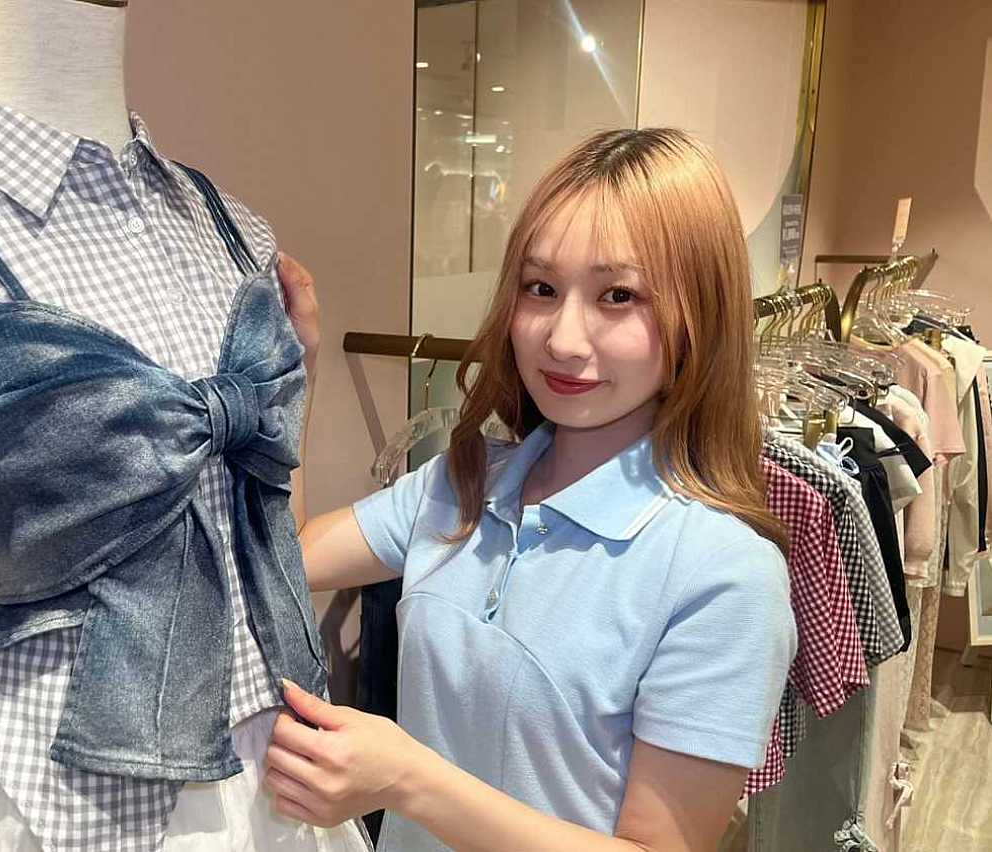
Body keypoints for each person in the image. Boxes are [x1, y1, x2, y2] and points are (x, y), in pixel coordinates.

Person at [267, 128, 799, 852]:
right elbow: (289, 559)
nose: (562, 339)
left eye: (618, 296)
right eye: (540, 288)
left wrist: (408, 781)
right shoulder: (460, 482)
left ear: (697, 319)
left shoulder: (723, 573)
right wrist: (294, 374)